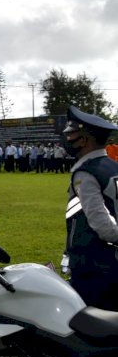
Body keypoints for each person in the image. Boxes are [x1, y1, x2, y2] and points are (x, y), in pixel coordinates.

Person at [61, 105, 118, 311]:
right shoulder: (112, 166)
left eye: (71, 135)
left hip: (95, 263)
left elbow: (103, 226)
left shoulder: (86, 173)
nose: (67, 139)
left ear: (84, 140)